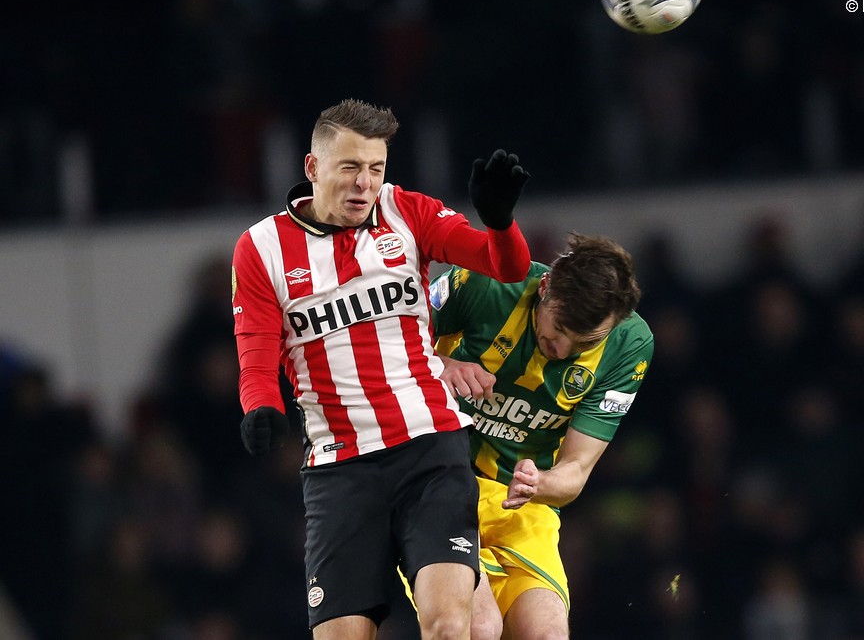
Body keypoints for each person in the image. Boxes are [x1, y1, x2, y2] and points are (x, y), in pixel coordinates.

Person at [231, 98, 532, 640]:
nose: (364, 184)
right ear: (313, 167)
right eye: (350, 167)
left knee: (449, 625)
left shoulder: (407, 211)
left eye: (375, 168)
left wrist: (501, 224)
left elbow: (504, 266)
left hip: (430, 448)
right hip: (339, 469)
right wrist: (261, 408)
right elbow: (255, 352)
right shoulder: (261, 247)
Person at [430, 233, 655, 639]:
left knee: (547, 634)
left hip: (520, 506)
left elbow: (576, 471)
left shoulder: (629, 345)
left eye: (586, 341)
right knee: (481, 627)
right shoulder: (486, 281)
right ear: (546, 286)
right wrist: (439, 365)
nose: (563, 349)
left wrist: (541, 483)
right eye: (560, 327)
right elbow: (378, 348)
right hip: (433, 482)